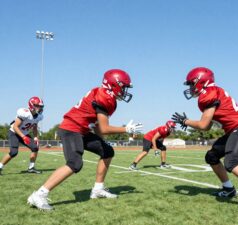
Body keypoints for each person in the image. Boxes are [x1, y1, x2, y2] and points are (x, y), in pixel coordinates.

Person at [27, 69, 143, 211]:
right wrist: (127, 130)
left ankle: (98, 189)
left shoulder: (104, 95)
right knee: (75, 163)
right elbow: (105, 128)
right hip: (71, 128)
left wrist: (101, 143)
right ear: (114, 84)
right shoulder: (104, 97)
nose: (124, 91)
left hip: (82, 129)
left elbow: (98, 128)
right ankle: (39, 194)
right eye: (123, 87)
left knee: (107, 151)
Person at [172, 67, 238, 212]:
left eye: (191, 84)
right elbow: (207, 127)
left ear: (200, 81)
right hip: (234, 129)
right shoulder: (214, 91)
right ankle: (229, 189)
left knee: (232, 162)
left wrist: (186, 121)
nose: (190, 88)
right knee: (212, 156)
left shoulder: (208, 95)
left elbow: (203, 125)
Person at [0, 97, 44, 175]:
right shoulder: (24, 113)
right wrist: (23, 137)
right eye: (37, 106)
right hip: (14, 132)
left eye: (41, 106)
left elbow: (34, 127)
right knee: (14, 152)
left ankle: (31, 168)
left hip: (24, 134)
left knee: (35, 147)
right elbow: (15, 127)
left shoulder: (39, 116)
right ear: (31, 105)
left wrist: (35, 137)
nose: (39, 108)